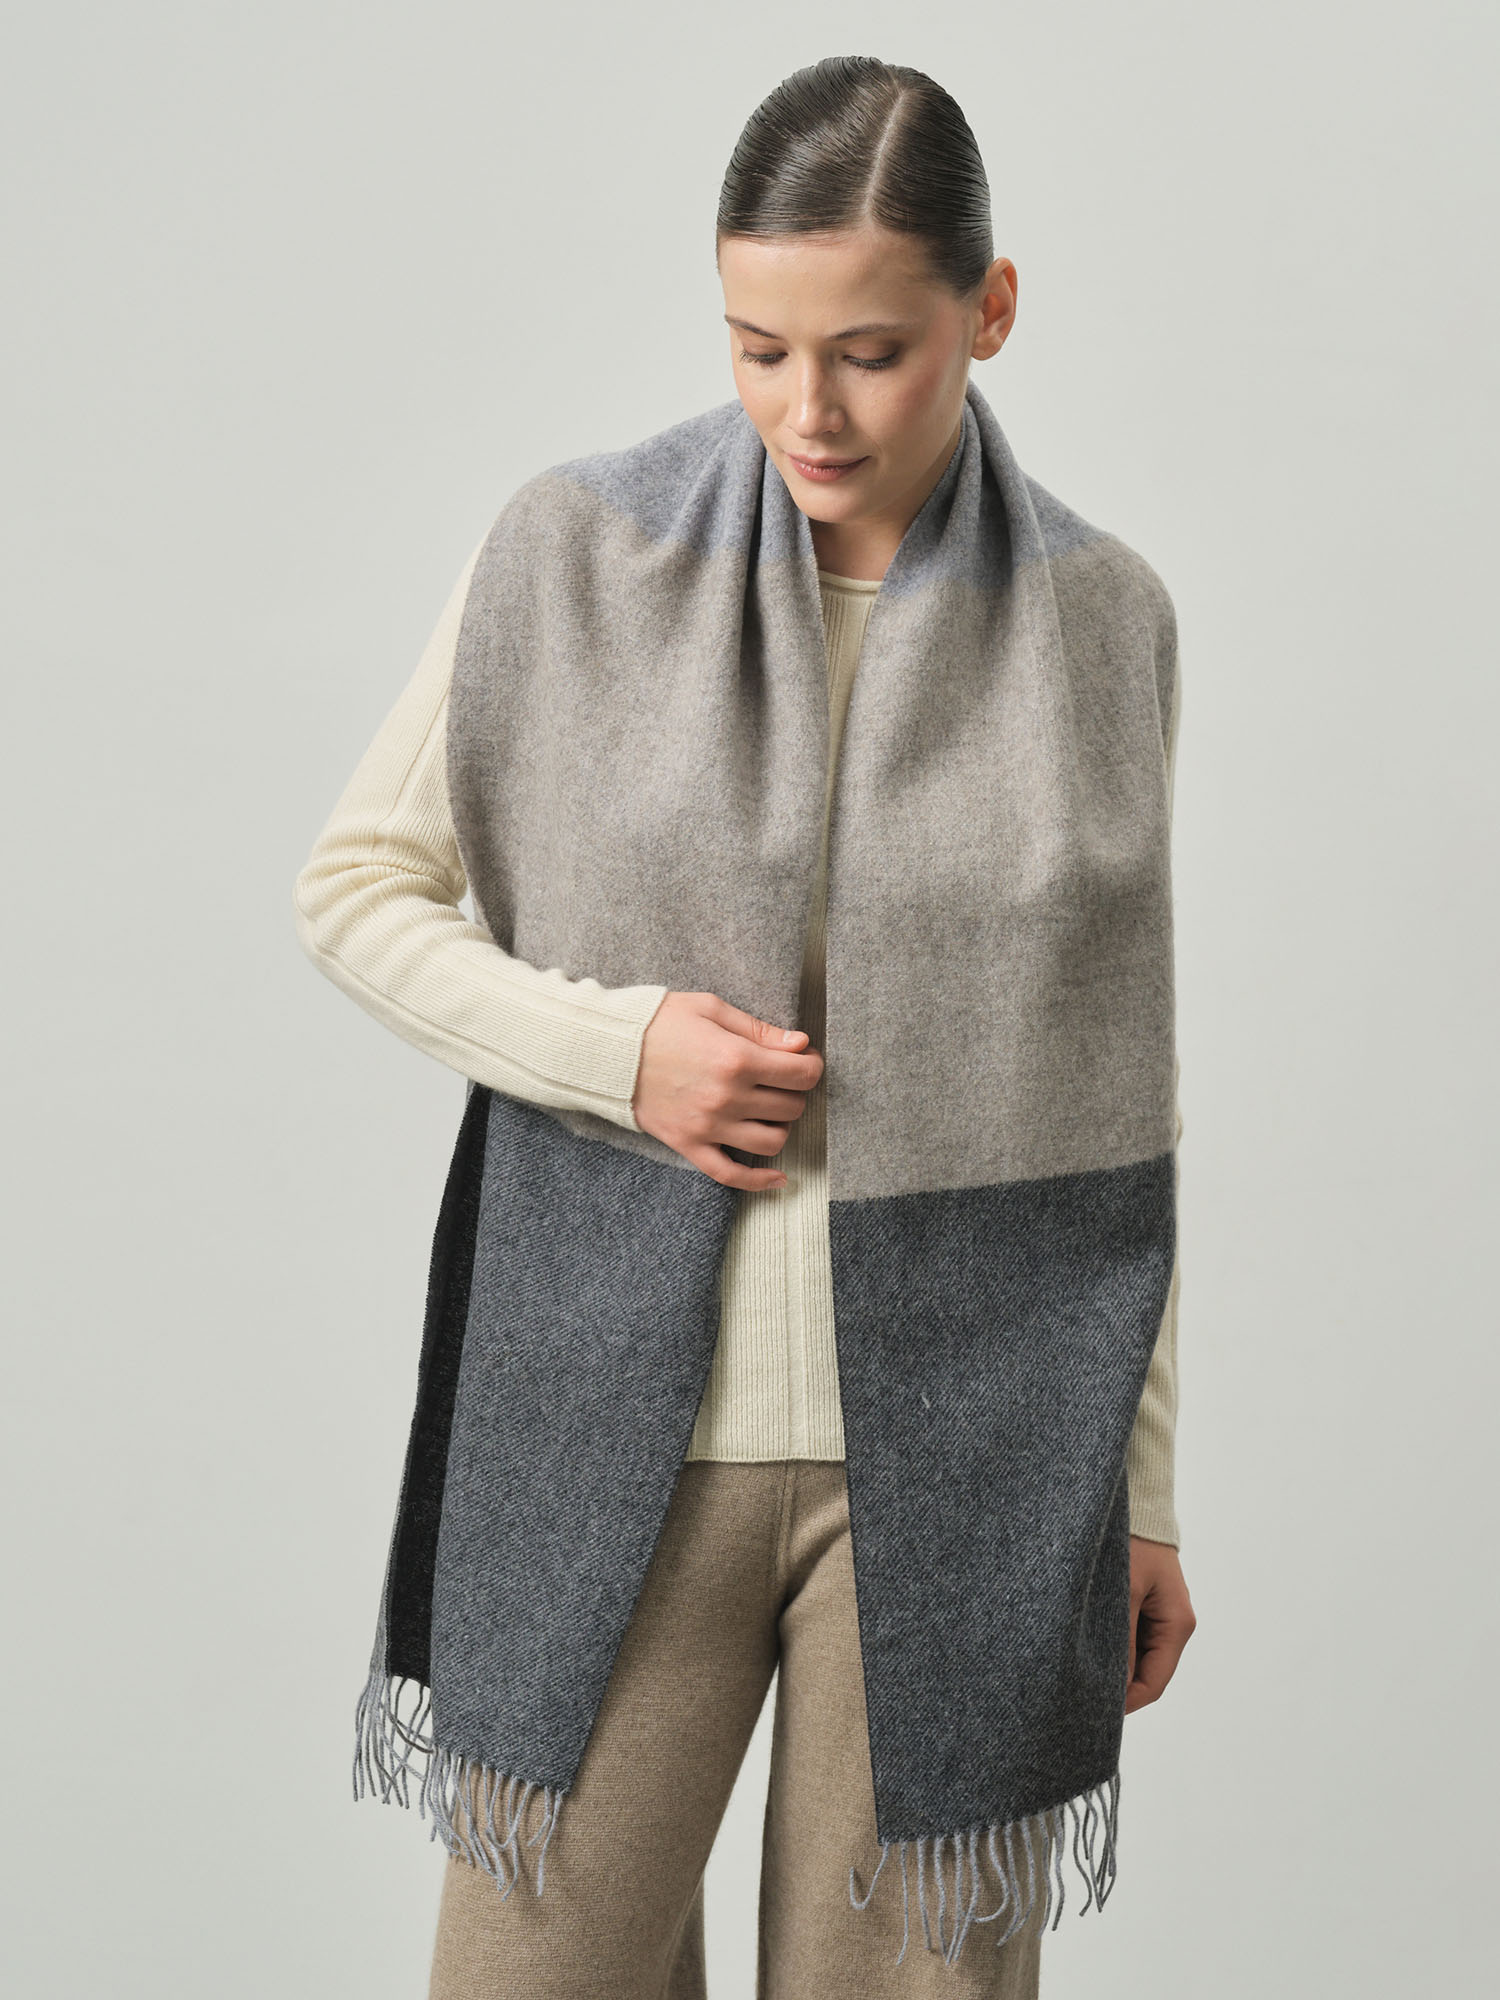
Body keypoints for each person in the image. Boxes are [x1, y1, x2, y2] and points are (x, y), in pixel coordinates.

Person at [293, 53, 1195, 1998]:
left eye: (870, 352)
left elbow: (1118, 1099)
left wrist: (1140, 1495)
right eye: (758, 346)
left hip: (972, 1455)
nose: (808, 410)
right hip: (618, 1416)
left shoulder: (1107, 624)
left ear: (991, 310)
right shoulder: (574, 554)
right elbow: (355, 891)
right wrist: (624, 1057)